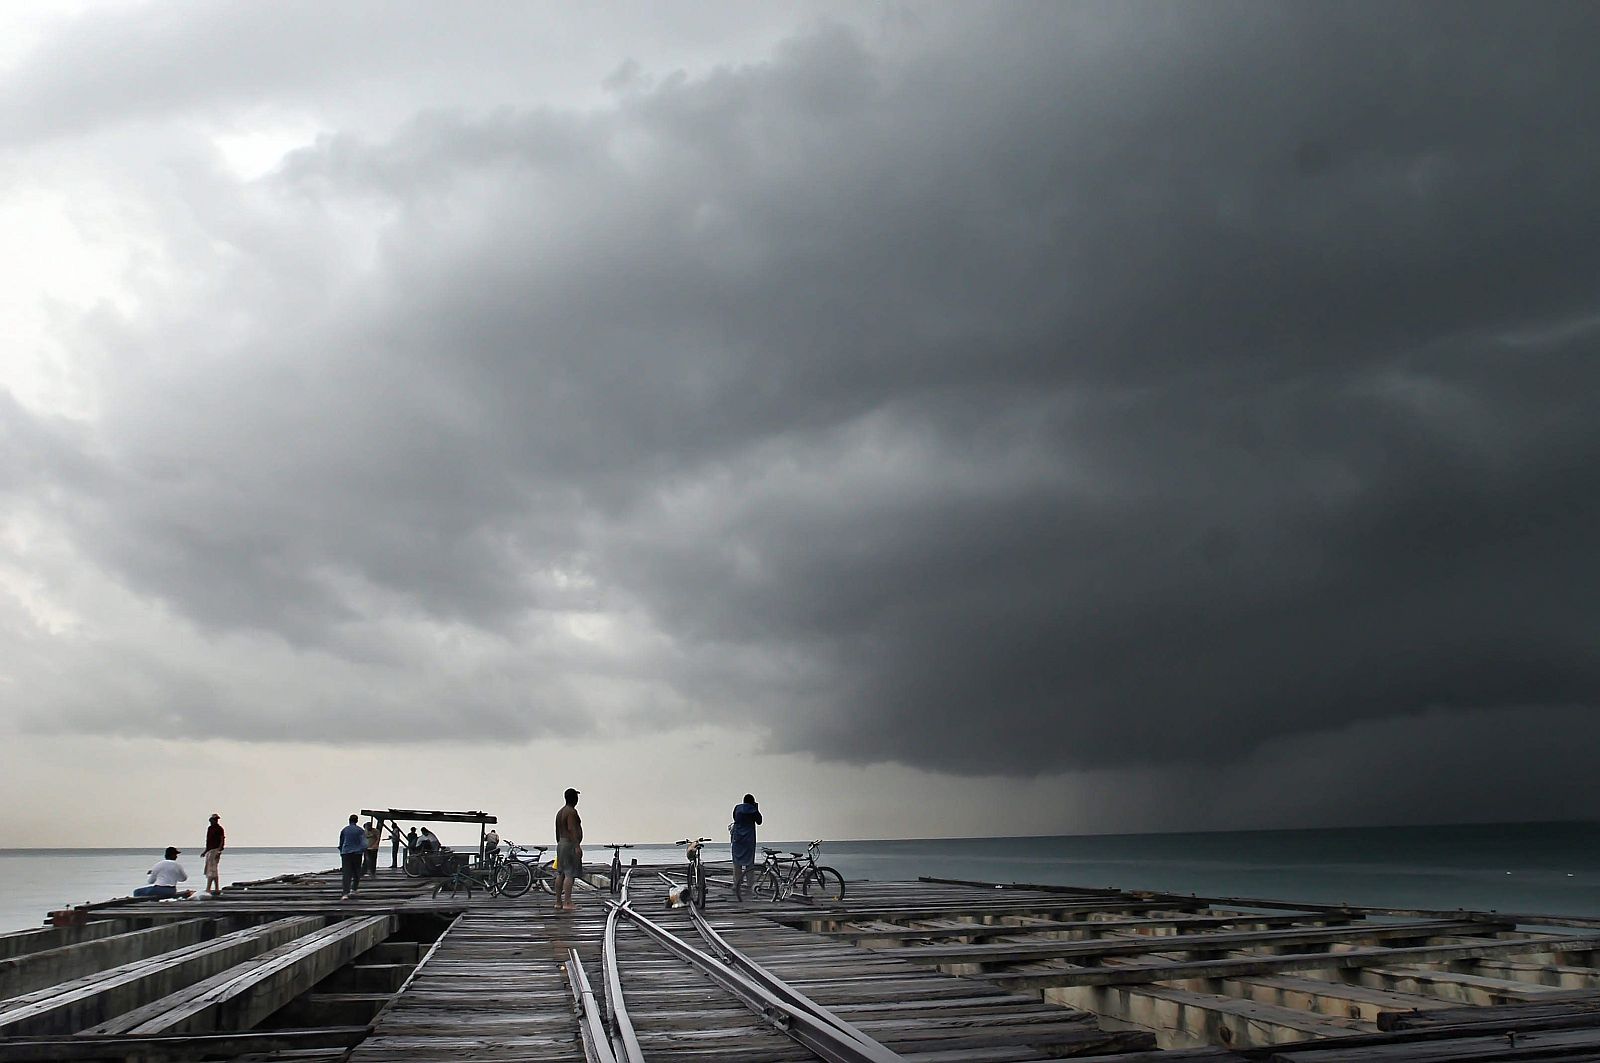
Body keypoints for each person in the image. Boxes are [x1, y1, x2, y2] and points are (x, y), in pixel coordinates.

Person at [554, 788, 582, 913]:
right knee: (569, 873)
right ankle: (568, 902)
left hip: (561, 843)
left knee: (560, 873)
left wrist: (560, 844)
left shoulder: (560, 812)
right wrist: (576, 845)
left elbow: (557, 832)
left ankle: (558, 902)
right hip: (569, 844)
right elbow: (571, 828)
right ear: (574, 798)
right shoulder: (571, 812)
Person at [730, 793, 763, 900]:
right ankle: (750, 883)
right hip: (749, 838)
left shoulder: (737, 808)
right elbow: (759, 821)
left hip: (737, 837)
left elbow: (734, 817)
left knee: (737, 861)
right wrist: (756, 808)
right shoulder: (752, 810)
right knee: (749, 863)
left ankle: (736, 884)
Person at [338, 814, 367, 899]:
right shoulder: (360, 830)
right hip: (357, 853)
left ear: (349, 820)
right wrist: (363, 850)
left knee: (346, 873)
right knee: (357, 872)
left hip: (346, 853)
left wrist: (341, 851)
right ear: (357, 821)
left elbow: (341, 842)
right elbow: (364, 843)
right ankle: (354, 889)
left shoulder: (344, 830)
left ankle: (345, 893)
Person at [203, 813, 226, 896]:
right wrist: (205, 851)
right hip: (210, 850)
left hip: (215, 850)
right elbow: (208, 841)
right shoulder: (210, 828)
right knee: (211, 869)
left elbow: (222, 839)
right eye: (213, 819)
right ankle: (215, 888)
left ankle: (209, 888)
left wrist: (219, 850)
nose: (214, 821)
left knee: (212, 870)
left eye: (216, 819)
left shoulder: (219, 829)